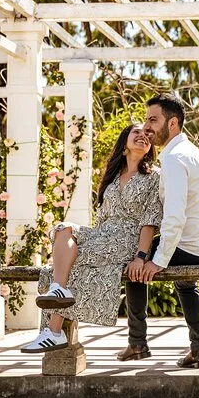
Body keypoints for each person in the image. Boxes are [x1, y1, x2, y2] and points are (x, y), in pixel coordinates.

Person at [21, 124, 162, 353]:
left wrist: (140, 257)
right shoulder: (113, 177)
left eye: (147, 135)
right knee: (63, 229)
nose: (143, 136)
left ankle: (53, 332)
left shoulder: (154, 177)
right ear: (124, 143)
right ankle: (58, 290)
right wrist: (92, 239)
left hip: (127, 239)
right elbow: (102, 217)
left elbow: (150, 221)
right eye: (136, 132)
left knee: (61, 266)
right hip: (102, 234)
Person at [118, 93, 199, 368]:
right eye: (146, 120)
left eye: (153, 120)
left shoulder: (173, 158)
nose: (147, 127)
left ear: (172, 123)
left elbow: (175, 216)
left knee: (135, 264)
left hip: (195, 247)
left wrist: (155, 260)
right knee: (184, 282)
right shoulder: (192, 151)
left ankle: (137, 343)